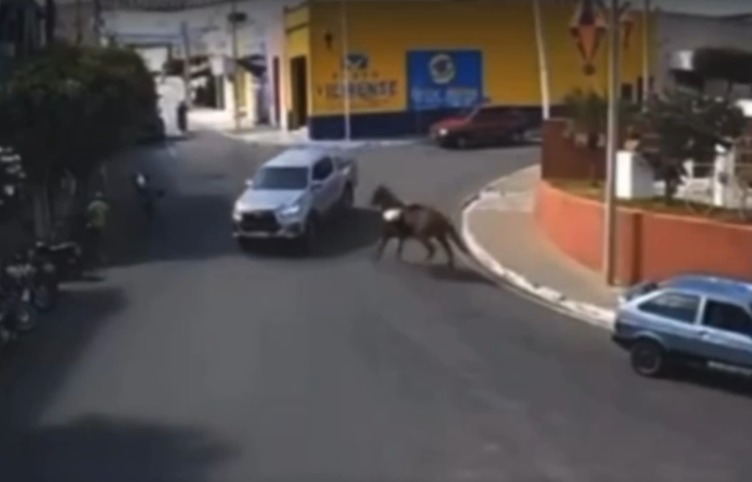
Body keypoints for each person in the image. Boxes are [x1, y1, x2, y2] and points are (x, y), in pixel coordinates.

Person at [85, 192, 110, 267]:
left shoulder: (92, 205)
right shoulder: (104, 205)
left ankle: (95, 260)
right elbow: (108, 215)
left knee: (94, 244)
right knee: (101, 243)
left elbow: (88, 215)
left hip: (93, 226)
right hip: (102, 226)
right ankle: (102, 260)